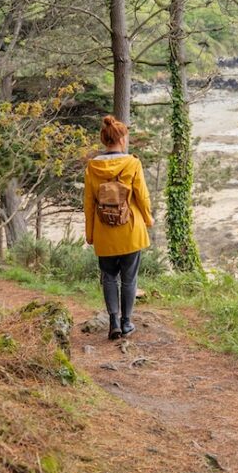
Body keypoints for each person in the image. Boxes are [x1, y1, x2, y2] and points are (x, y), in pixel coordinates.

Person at [84, 115, 154, 340]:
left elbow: (88, 204)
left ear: (104, 140)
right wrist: (148, 219)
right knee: (129, 278)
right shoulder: (132, 163)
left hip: (104, 232)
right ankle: (126, 323)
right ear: (122, 139)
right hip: (130, 230)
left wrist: (90, 232)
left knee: (109, 277)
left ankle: (113, 321)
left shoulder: (92, 167)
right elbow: (142, 196)